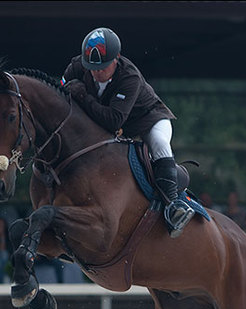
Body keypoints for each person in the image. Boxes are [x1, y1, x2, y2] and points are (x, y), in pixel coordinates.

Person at [62, 27, 194, 238]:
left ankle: (173, 206)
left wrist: (83, 97)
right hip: (113, 125)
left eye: (103, 67)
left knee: (159, 144)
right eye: (92, 68)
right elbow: (61, 93)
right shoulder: (79, 66)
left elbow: (113, 121)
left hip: (148, 120)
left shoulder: (129, 77)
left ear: (117, 59)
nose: (96, 72)